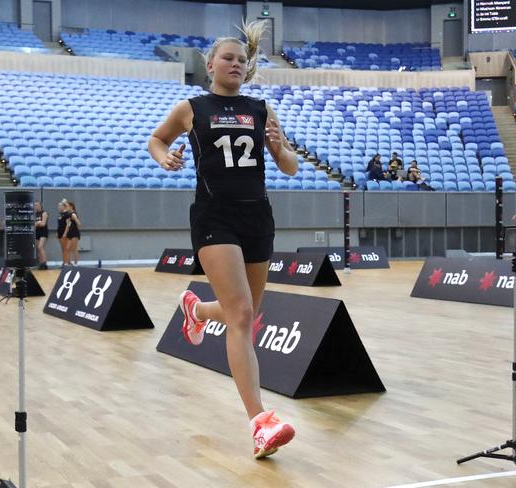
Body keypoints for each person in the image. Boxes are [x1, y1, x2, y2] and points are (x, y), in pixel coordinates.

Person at [148, 20, 296, 460]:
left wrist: (278, 148)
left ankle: (195, 309)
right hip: (214, 218)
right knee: (243, 313)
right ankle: (260, 422)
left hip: (257, 217)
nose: (235, 64)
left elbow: (289, 166)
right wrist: (165, 158)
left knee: (243, 311)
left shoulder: (262, 109)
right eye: (227, 58)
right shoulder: (191, 107)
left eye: (241, 60)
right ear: (210, 64)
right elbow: (157, 140)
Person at [64, 201, 81, 266]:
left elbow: (79, 224)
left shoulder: (73, 214)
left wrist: (75, 220)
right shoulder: (69, 215)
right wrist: (65, 233)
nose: (66, 208)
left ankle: (76, 263)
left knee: (74, 249)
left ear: (71, 207)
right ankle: (67, 263)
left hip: (75, 233)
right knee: (67, 248)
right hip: (70, 233)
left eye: (67, 206)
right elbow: (68, 225)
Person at [34, 201, 49, 269]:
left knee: (40, 246)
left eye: (37, 205)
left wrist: (37, 223)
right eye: (35, 205)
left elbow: (43, 223)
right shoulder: (36, 214)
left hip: (43, 232)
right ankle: (41, 263)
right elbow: (34, 224)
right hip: (37, 232)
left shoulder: (44, 213)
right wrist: (38, 223)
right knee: (37, 248)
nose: (36, 206)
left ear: (40, 205)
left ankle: (44, 262)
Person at [57, 199, 69, 267]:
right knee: (63, 249)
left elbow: (68, 224)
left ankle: (66, 263)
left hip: (64, 234)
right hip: (60, 233)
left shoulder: (67, 214)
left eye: (60, 206)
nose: (59, 207)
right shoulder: (60, 214)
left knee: (65, 249)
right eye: (58, 206)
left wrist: (65, 233)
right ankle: (64, 263)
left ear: (64, 206)